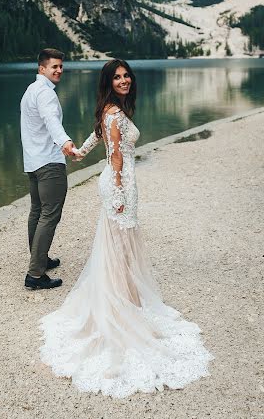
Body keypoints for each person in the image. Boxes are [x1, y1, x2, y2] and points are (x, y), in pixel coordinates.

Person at [39, 59, 213, 397]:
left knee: (119, 245)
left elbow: (98, 137)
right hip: (120, 185)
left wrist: (79, 152)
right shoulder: (113, 113)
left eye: (126, 75)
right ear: (108, 81)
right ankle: (121, 307)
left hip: (120, 184)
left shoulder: (110, 110)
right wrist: (119, 193)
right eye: (117, 77)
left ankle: (126, 300)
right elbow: (116, 157)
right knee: (120, 245)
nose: (124, 80)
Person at [20, 48, 75, 290]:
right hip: (49, 163)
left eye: (61, 66)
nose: (59, 70)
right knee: (49, 215)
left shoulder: (31, 90)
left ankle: (39, 259)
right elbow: (51, 119)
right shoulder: (45, 94)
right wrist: (65, 142)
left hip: (32, 162)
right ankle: (35, 273)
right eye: (54, 67)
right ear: (42, 68)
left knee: (37, 211)